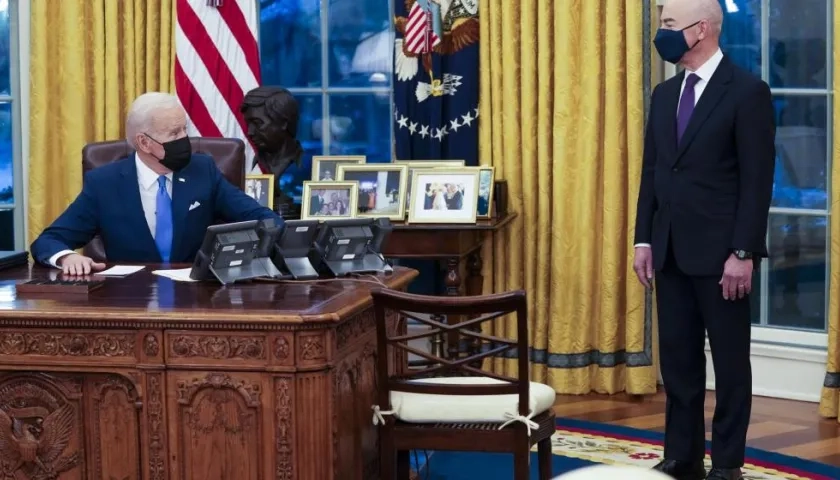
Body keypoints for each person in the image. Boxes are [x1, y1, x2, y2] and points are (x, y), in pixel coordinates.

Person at [633, 1, 775, 480]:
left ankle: (728, 464)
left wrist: (743, 252)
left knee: (731, 369)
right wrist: (642, 241)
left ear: (701, 30)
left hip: (722, 259)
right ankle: (682, 456)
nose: (662, 33)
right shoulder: (663, 93)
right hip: (669, 250)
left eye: (668, 24)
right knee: (678, 365)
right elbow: (653, 172)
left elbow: (757, 182)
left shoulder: (747, 92)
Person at [31, 92, 281, 275]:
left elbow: (262, 217)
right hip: (129, 302)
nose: (185, 139)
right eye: (173, 134)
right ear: (144, 142)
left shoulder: (202, 171)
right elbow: (49, 240)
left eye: (184, 129)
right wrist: (67, 257)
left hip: (197, 300)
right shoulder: (104, 184)